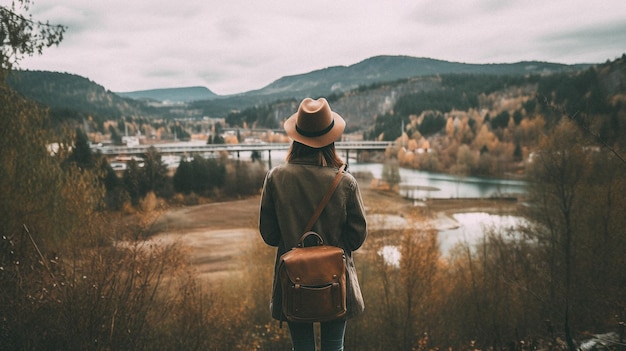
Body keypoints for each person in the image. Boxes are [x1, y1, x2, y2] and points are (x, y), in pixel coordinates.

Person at [259, 97, 367, 351]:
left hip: (292, 279)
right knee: (333, 347)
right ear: (330, 139)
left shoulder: (275, 178)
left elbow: (270, 235)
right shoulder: (345, 182)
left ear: (296, 137)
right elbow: (356, 238)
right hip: (335, 279)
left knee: (302, 348)